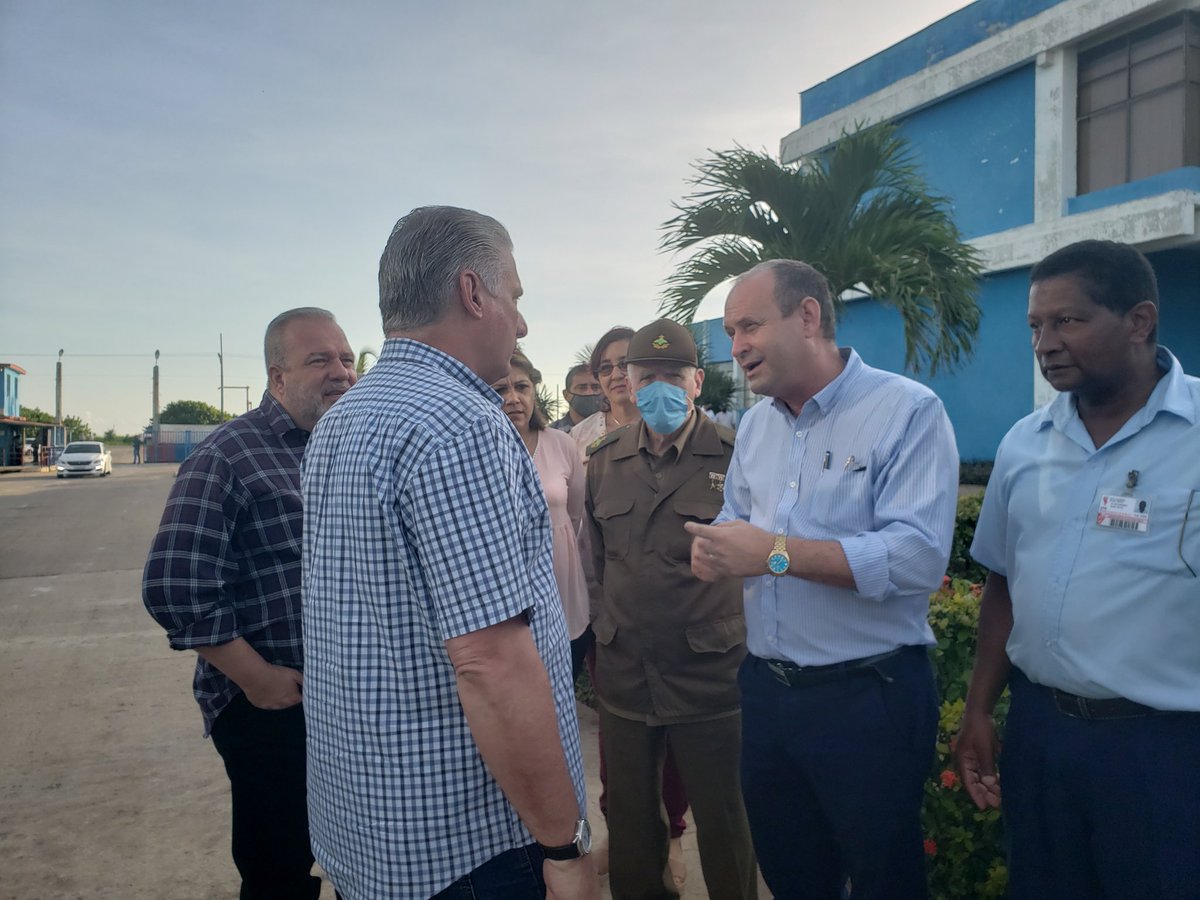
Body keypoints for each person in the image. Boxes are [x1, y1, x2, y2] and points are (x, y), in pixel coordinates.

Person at [301, 206, 598, 900]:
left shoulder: (344, 419)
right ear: (473, 293)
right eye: (515, 298)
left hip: (370, 829)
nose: (521, 324)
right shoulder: (463, 426)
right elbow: (491, 662)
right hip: (470, 848)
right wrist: (563, 842)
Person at [686, 259, 958, 900]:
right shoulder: (755, 426)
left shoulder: (906, 411)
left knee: (883, 875)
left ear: (808, 316)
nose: (736, 347)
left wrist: (773, 554)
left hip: (867, 697)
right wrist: (717, 549)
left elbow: (918, 559)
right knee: (792, 874)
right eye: (729, 333)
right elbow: (738, 524)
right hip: (769, 694)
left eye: (749, 326)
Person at [955, 240, 1200, 899]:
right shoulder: (1023, 444)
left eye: (1068, 321)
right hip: (1042, 737)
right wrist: (980, 707)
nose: (1046, 342)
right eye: (1036, 325)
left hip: (1164, 752)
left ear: (1139, 321)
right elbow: (1004, 582)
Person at [142, 307, 357, 900]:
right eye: (320, 360)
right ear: (277, 377)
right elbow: (175, 585)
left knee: (362, 852)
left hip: (348, 700)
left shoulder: (350, 446)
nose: (340, 372)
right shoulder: (228, 455)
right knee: (280, 867)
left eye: (346, 358)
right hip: (272, 708)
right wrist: (255, 677)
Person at [586, 318, 757, 900]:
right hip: (626, 672)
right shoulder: (603, 459)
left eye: (671, 375)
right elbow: (596, 564)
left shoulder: (738, 456)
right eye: (646, 376)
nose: (658, 386)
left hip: (710, 672)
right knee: (632, 823)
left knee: (724, 819)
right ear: (629, 384)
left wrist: (774, 560)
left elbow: (779, 552)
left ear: (696, 383)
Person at [492, 350, 592, 679]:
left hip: (563, 584)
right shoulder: (479, 450)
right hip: (506, 593)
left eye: (522, 387)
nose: (513, 398)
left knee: (564, 682)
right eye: (500, 390)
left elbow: (574, 516)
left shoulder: (562, 444)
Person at [571, 327, 639, 460]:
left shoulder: (663, 426)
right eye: (606, 368)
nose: (616, 375)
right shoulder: (580, 435)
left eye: (625, 364)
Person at [550, 363, 603, 432]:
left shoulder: (614, 429)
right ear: (566, 395)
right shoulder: (552, 434)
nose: (590, 392)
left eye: (595, 387)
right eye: (582, 388)